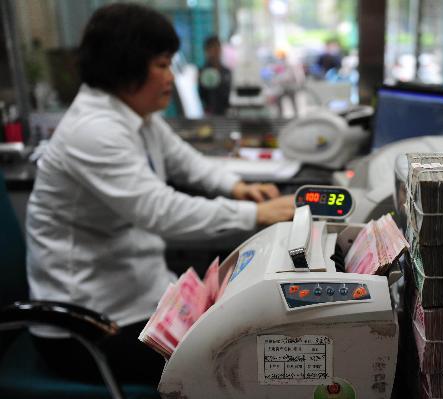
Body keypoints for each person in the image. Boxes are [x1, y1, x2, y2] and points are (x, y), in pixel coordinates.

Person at [26, 3, 294, 385]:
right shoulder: (94, 130)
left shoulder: (137, 118)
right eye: (161, 65)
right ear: (124, 67)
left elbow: (186, 161)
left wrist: (238, 187)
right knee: (232, 366)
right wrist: (256, 214)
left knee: (242, 340)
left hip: (142, 301)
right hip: (89, 327)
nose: (171, 76)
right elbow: (160, 211)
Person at [198, 35, 231, 115]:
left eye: (218, 46)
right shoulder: (203, 72)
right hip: (209, 115)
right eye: (213, 47)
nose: (217, 50)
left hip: (226, 114)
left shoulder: (226, 71)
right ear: (207, 50)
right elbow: (203, 96)